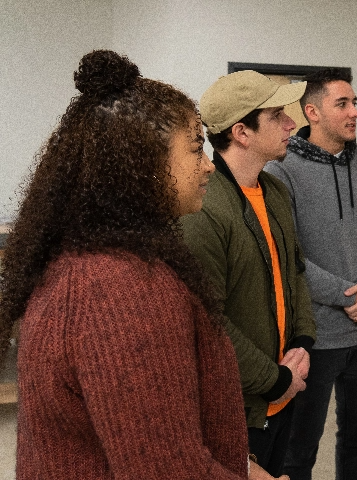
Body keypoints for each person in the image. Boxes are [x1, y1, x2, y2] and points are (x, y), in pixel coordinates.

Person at [0, 49, 284, 479]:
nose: (209, 166)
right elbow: (167, 470)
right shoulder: (121, 291)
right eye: (194, 150)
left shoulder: (93, 262)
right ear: (142, 164)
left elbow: (150, 431)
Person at [181, 70, 317, 478]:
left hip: (284, 390)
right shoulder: (203, 211)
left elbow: (295, 273)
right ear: (242, 132)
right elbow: (207, 320)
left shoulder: (274, 192)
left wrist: (303, 343)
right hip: (239, 404)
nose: (292, 124)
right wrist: (275, 380)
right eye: (277, 115)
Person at [264, 67, 357, 480]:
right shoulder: (281, 170)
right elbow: (290, 257)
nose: (355, 111)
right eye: (343, 103)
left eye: (355, 102)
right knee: (298, 453)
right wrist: (349, 296)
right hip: (314, 339)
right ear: (312, 112)